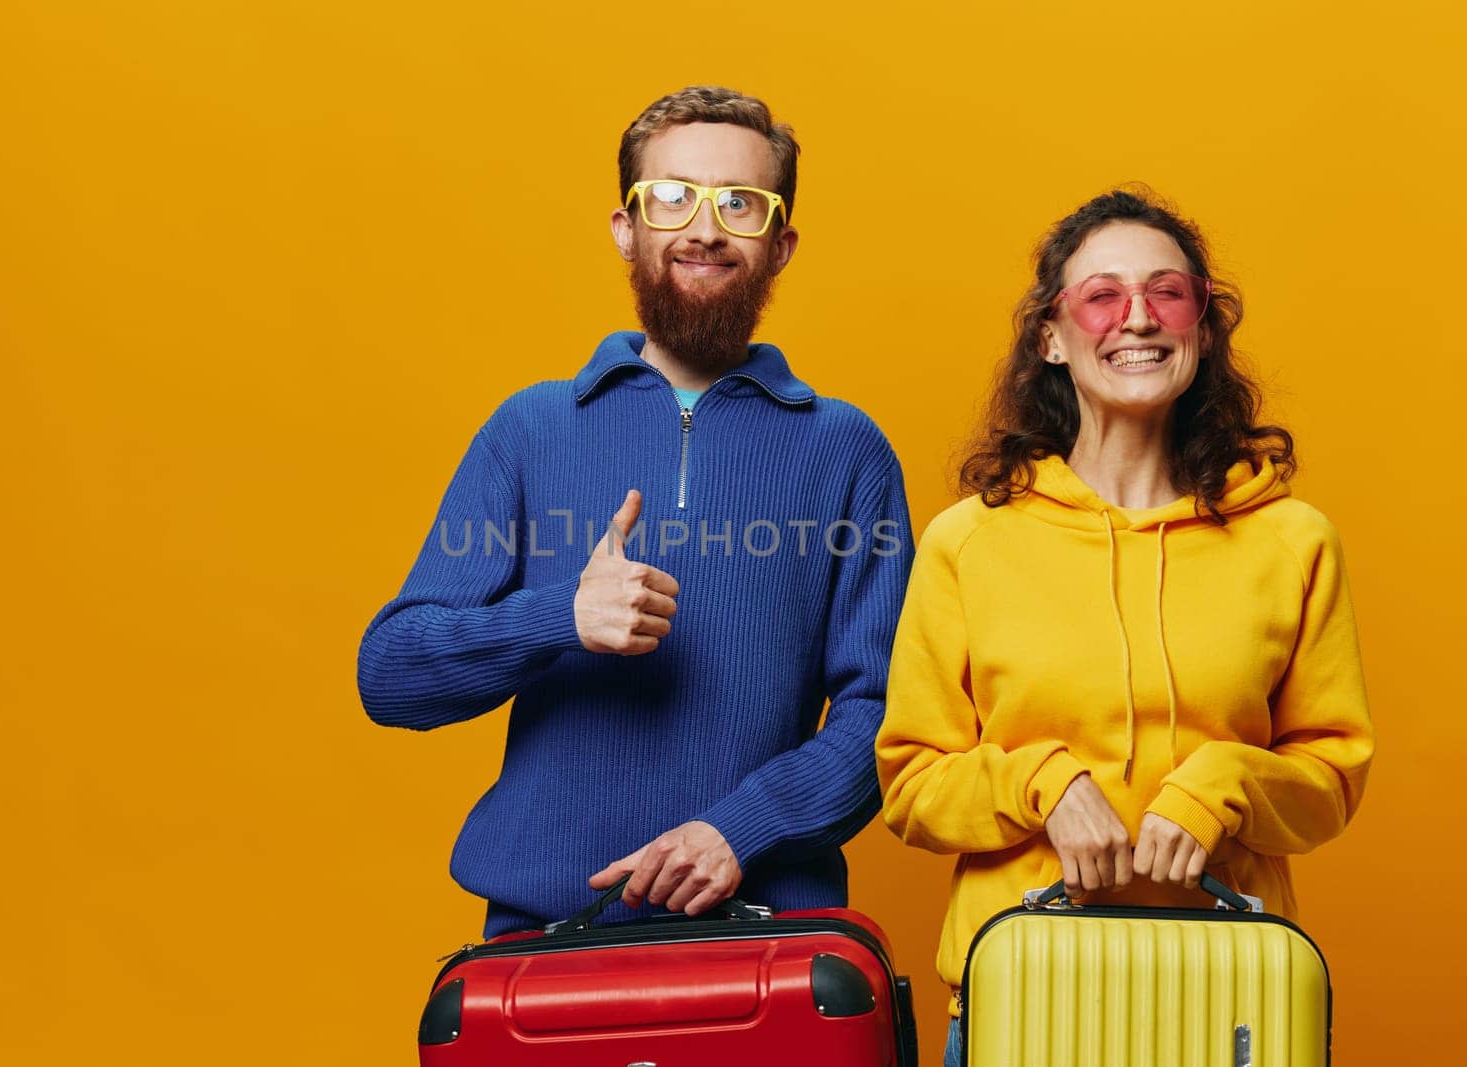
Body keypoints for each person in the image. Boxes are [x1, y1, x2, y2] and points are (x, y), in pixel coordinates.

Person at [358, 86, 912, 938]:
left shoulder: (847, 452)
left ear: (780, 244)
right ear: (627, 227)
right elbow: (389, 675)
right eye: (671, 197)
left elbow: (887, 717)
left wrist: (742, 828)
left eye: (740, 203)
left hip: (764, 935)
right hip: (544, 937)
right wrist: (559, 617)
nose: (703, 226)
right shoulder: (530, 430)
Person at [874, 189, 1375, 1065]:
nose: (1136, 319)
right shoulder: (968, 542)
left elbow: (1330, 780)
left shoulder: (1294, 540)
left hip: (1231, 996)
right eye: (1101, 295)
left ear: (1204, 326)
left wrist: (1220, 785)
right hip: (1022, 995)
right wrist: (1042, 783)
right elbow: (910, 783)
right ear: (1052, 337)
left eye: (1166, 293)